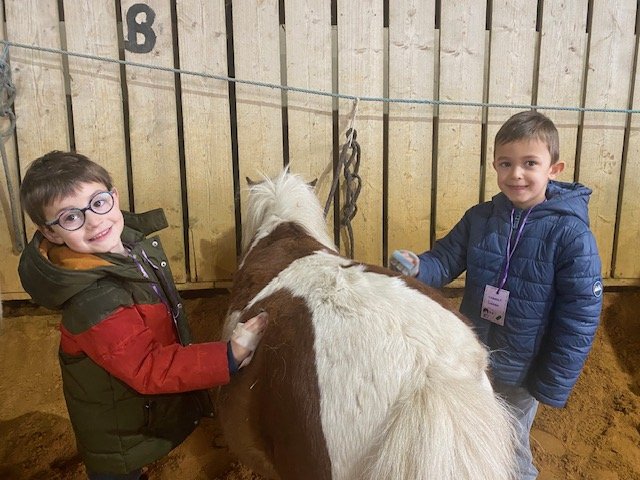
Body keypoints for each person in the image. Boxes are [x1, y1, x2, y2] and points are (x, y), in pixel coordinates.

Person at [17, 151, 268, 480]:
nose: (94, 221)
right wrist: (228, 356)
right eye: (70, 217)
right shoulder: (95, 301)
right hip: (118, 433)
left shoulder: (127, 248)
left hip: (130, 407)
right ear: (51, 233)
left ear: (114, 196)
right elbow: (148, 367)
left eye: (98, 202)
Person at [390, 110, 603, 479]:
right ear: (494, 166)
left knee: (509, 445)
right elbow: (445, 259)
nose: (516, 174)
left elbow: (580, 316)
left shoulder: (571, 236)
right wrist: (419, 267)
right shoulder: (480, 218)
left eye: (530, 163)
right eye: (506, 163)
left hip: (523, 368)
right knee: (470, 432)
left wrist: (552, 381)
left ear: (554, 169)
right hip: (472, 355)